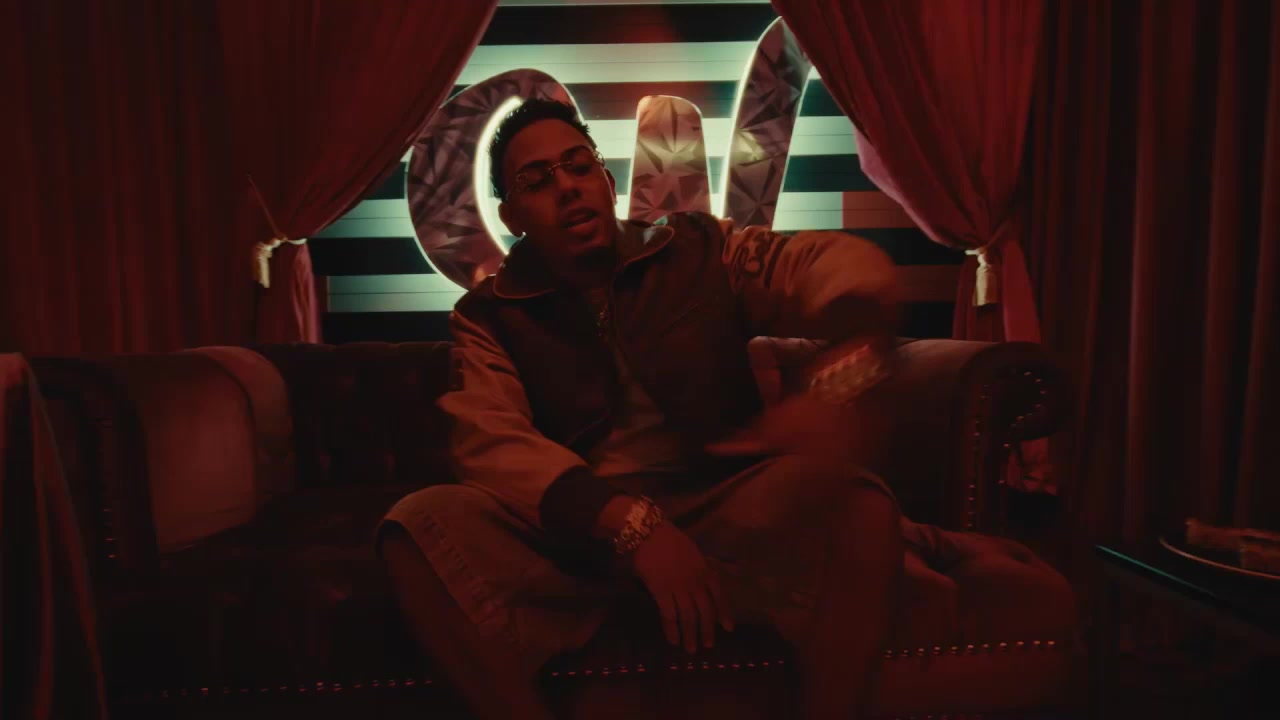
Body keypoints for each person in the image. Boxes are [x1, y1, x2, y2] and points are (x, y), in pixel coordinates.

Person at [379, 98, 903, 719]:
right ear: (511, 216)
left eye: (579, 166)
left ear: (605, 179)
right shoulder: (489, 315)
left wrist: (841, 374)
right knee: (419, 525)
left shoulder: (701, 249)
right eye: (537, 181)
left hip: (717, 504)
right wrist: (629, 524)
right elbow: (488, 441)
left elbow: (831, 269)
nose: (567, 187)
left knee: (860, 506)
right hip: (576, 540)